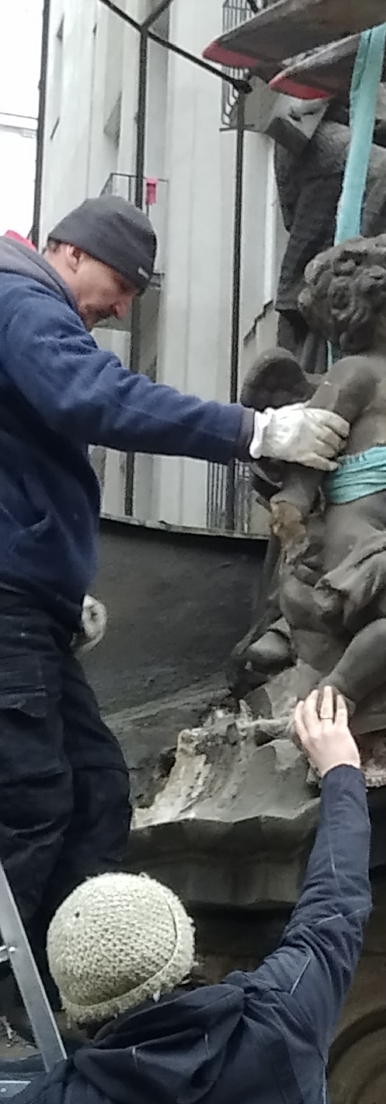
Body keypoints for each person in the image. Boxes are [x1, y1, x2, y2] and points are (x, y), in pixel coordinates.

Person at [0, 196, 350, 993]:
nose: (122, 307)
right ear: (68, 252)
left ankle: (65, 990)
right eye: (120, 284)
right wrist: (252, 431)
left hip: (28, 607)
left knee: (95, 793)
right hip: (10, 606)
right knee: (30, 802)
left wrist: (57, 591)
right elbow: (93, 396)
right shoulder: (19, 294)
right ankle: (13, 1006)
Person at [1, 686, 370, 1104]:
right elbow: (335, 904)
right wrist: (342, 771)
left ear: (74, 1003)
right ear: (183, 949)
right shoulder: (281, 1018)